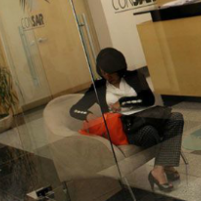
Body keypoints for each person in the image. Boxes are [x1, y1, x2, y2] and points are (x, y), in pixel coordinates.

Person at [70, 47, 184, 193]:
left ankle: (159, 168)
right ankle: (164, 167)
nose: (107, 76)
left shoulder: (134, 76)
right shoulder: (99, 86)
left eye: (111, 73)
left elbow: (148, 99)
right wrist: (87, 114)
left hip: (146, 117)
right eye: (104, 72)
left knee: (176, 118)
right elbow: (74, 109)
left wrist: (123, 103)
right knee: (149, 132)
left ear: (119, 69)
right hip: (124, 127)